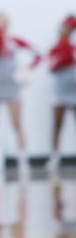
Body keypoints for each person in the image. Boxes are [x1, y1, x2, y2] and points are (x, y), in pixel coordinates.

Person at [0, 12, 40, 164]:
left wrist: (26, 70)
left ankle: (23, 157)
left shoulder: (14, 41)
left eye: (6, 21)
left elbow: (36, 53)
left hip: (11, 86)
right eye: (0, 20)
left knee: (17, 122)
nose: (3, 23)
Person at [46, 13, 76, 173]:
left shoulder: (73, 48)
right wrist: (61, 59)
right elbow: (50, 66)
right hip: (60, 90)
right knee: (57, 124)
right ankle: (55, 156)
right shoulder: (56, 47)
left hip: (74, 89)